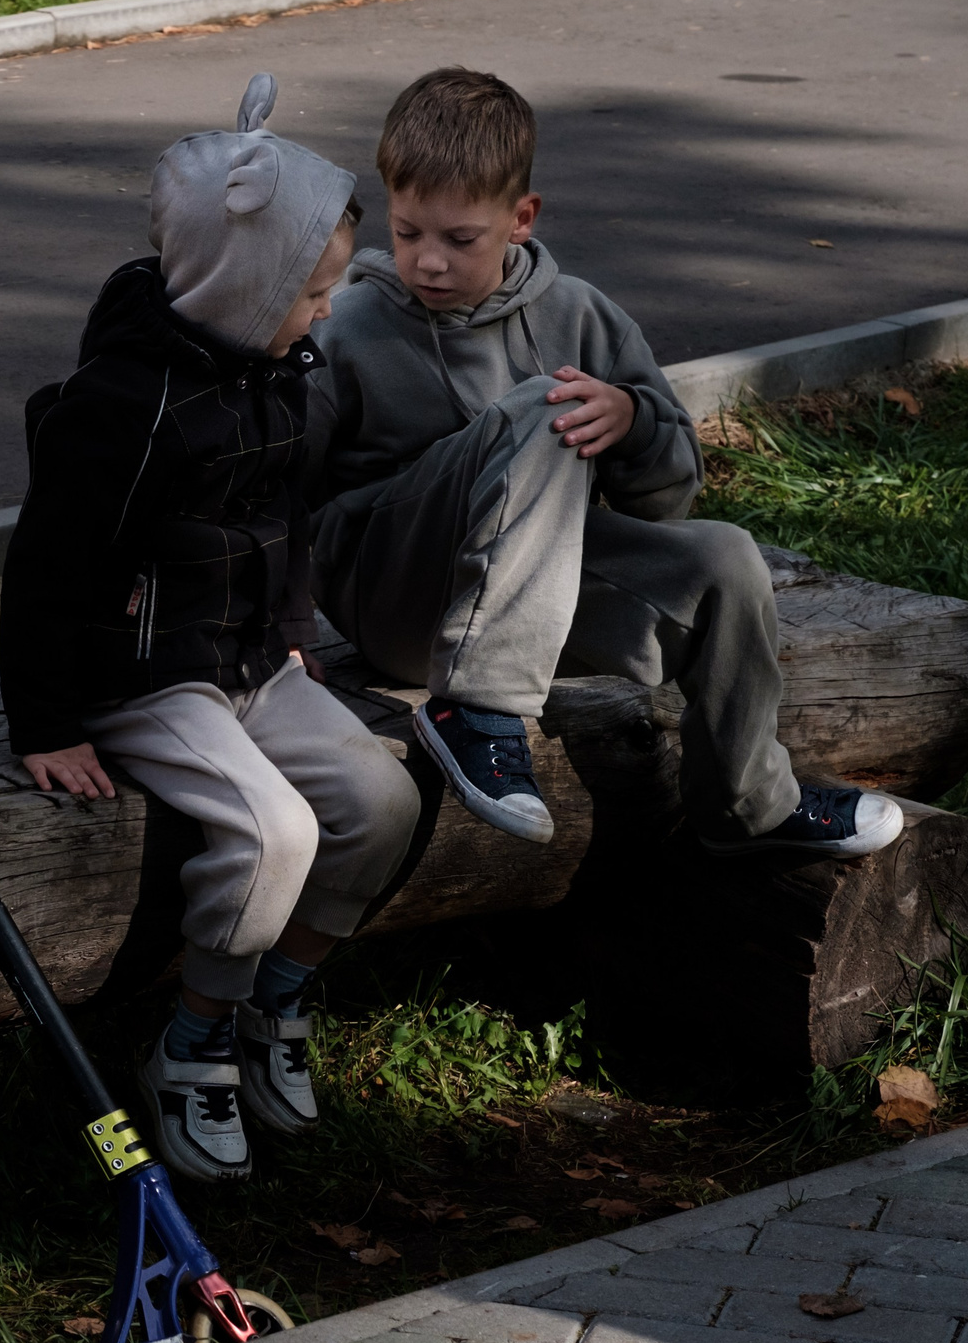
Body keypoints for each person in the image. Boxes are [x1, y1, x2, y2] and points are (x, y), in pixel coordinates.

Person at [309, 66, 901, 859]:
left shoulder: (580, 314)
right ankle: (478, 709)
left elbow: (669, 500)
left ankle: (748, 803)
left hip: (531, 600)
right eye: (408, 231)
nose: (429, 262)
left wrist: (630, 423)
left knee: (722, 556)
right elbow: (270, 481)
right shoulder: (348, 323)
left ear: (522, 218)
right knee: (546, 407)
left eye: (460, 239)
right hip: (395, 596)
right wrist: (273, 627)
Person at [0, 74, 421, 1185]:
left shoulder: (278, 365)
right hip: (144, 678)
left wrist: (291, 630)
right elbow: (47, 564)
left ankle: (273, 1002)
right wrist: (43, 721)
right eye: (314, 292)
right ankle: (193, 1043)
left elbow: (284, 514)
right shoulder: (124, 409)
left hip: (245, 657)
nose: (328, 311)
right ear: (246, 282)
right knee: (273, 831)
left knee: (381, 801)